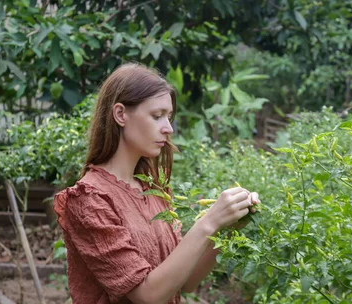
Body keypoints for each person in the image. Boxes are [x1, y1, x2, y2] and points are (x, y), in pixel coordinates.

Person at [53, 63, 261, 304]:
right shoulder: (90, 200)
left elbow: (186, 282)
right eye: (157, 116)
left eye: (169, 117)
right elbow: (147, 295)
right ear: (120, 114)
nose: (168, 128)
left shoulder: (153, 190)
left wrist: (227, 227)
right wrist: (209, 220)